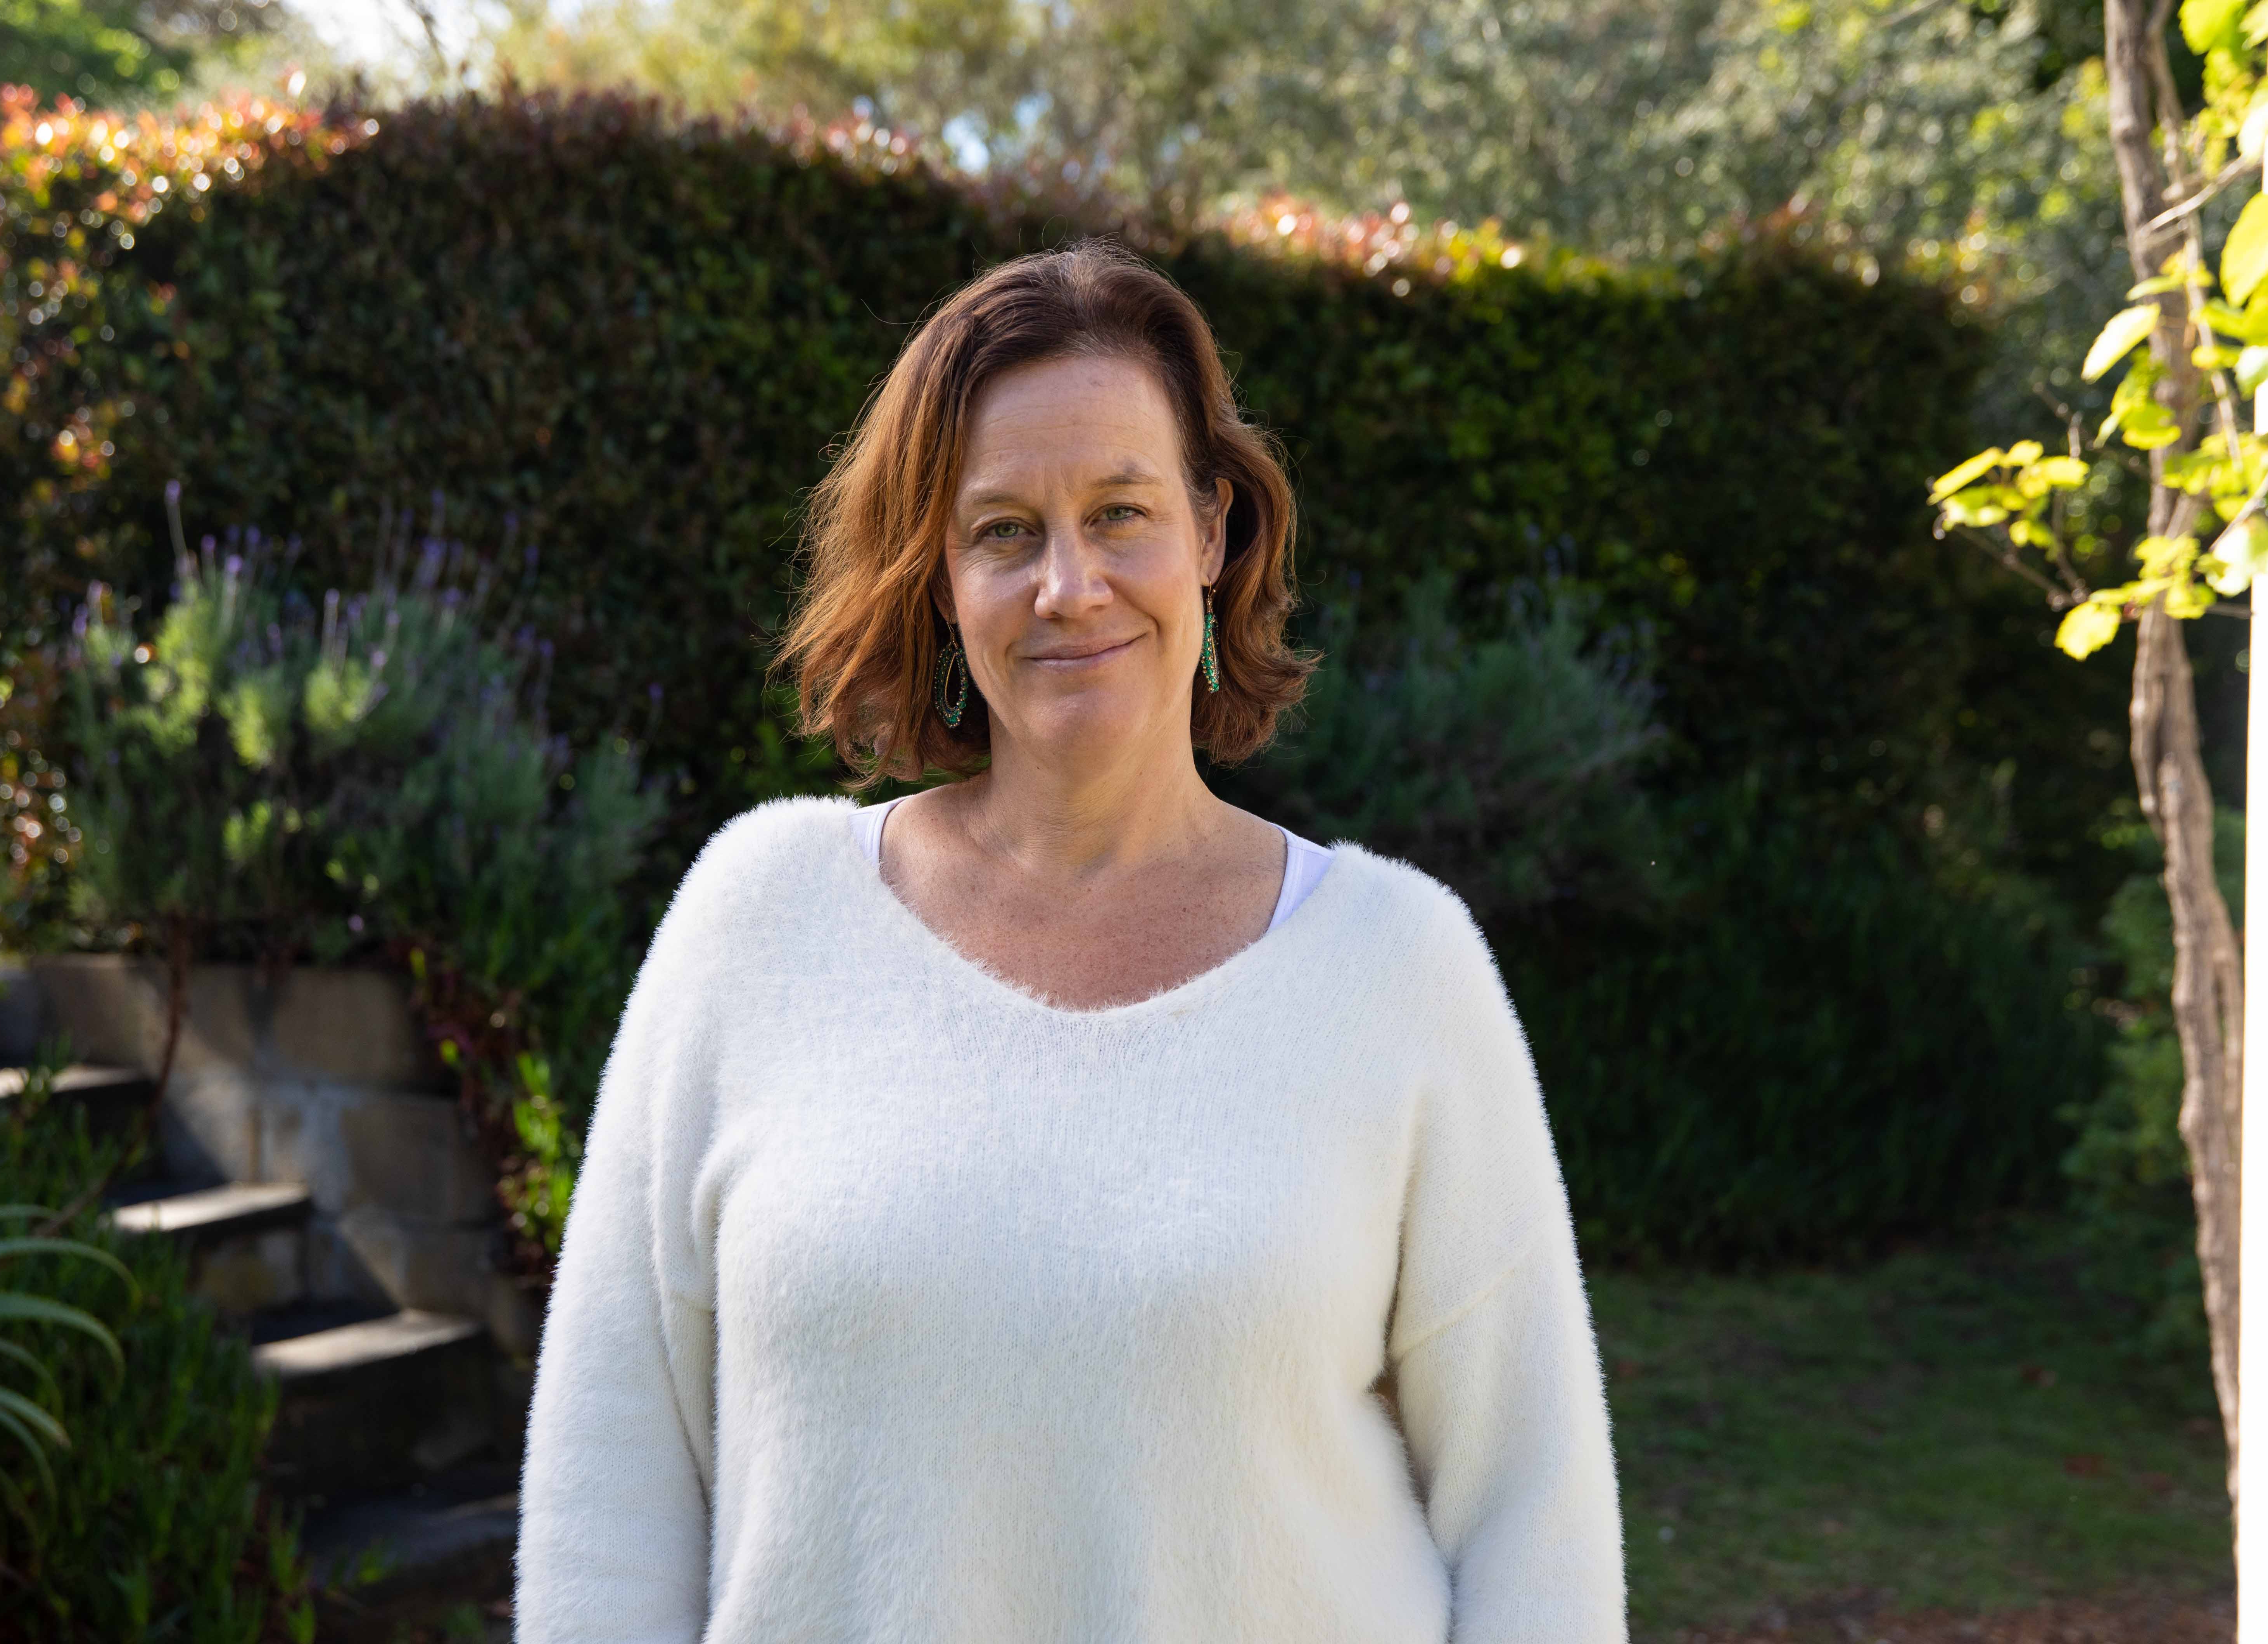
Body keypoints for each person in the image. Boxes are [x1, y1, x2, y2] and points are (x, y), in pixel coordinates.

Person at [512, 239, 1626, 1642]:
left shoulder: (1400, 968)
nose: (1069, 585)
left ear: (1213, 533)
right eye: (1001, 532)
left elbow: (1538, 1527)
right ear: (936, 575)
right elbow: (612, 1486)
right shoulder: (758, 920)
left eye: (1121, 513)